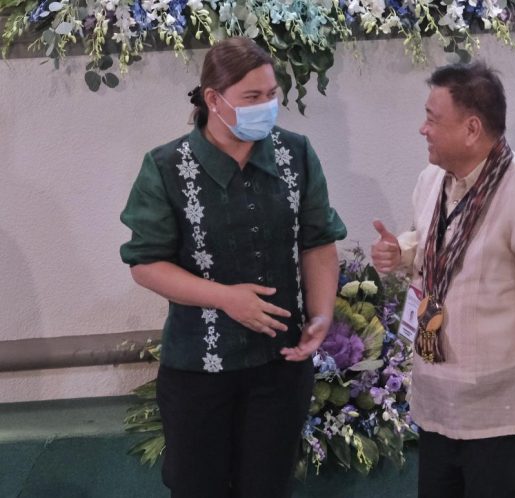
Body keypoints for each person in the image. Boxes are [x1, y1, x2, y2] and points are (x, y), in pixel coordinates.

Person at [120, 37, 346, 498]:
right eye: (252, 97)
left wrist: (321, 315)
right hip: (199, 371)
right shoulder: (166, 167)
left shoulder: (295, 154)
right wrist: (225, 298)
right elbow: (146, 264)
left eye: (272, 95)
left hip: (280, 366)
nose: (266, 106)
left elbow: (319, 243)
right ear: (213, 100)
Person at [371, 61, 515, 498]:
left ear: (472, 129)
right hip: (438, 391)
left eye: (433, 119)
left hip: (499, 400)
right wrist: (404, 251)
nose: (422, 129)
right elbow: (440, 240)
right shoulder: (431, 179)